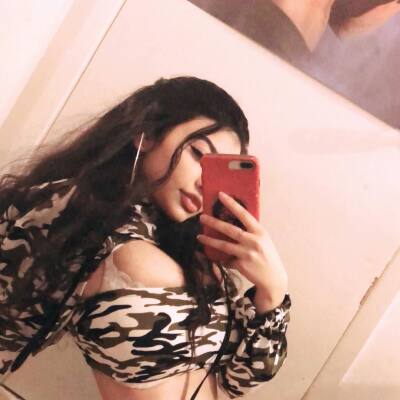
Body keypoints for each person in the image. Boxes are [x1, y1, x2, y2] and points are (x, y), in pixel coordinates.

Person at [0, 76, 290, 400]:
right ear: (146, 134)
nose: (203, 183)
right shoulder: (77, 210)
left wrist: (272, 292)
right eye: (198, 155)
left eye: (216, 171)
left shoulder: (191, 249)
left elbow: (236, 382)